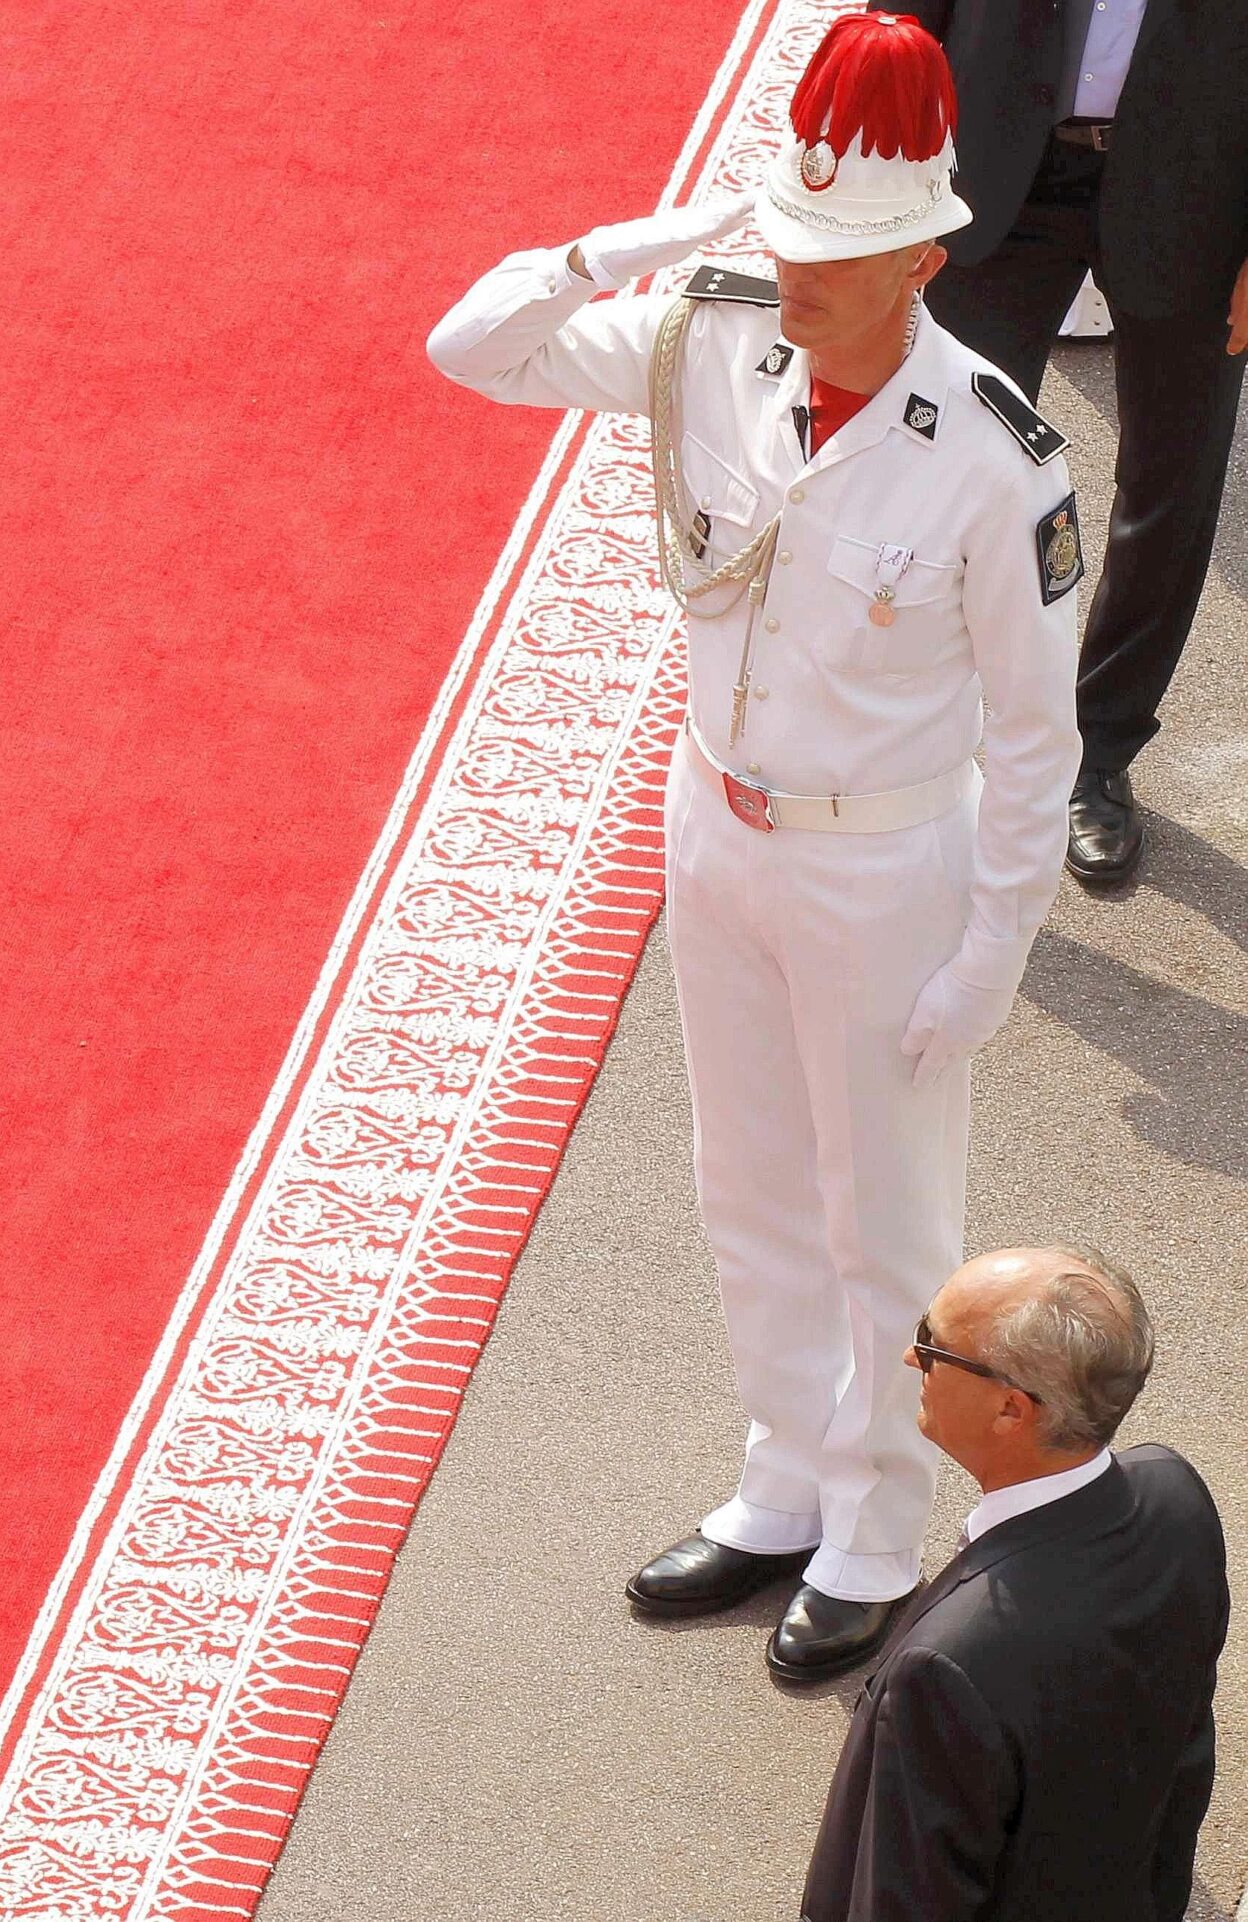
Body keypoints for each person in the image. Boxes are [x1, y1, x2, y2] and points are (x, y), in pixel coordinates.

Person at [425, 15, 1082, 1680]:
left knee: (884, 1218)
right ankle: (782, 1479)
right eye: (780, 235)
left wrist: (995, 943)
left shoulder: (998, 459)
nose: (792, 273)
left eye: (833, 253)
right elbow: (470, 346)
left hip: (886, 868)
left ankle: (874, 1524)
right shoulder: (714, 334)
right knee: (749, 1187)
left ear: (926, 255)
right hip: (716, 824)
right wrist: (617, 247)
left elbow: (1035, 736)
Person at [873, 0, 1248, 889]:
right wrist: (887, 170)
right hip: (1000, 166)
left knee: (1170, 486)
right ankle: (921, 735)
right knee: (940, 458)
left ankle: (1095, 750)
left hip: (1201, 190)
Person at [802, 1246, 1225, 1922]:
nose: (915, 1360)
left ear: (1010, 1411)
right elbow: (1184, 1756)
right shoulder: (1176, 1496)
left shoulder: (945, 1669)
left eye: (933, 1344)